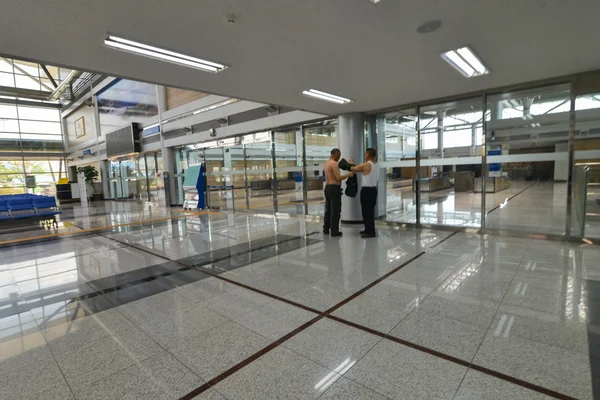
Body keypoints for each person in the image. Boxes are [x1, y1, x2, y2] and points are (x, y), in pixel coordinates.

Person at [323, 148, 354, 237]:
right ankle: (334, 231)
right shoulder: (334, 164)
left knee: (328, 210)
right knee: (335, 211)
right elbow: (338, 177)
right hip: (334, 189)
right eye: (338, 156)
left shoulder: (326, 163)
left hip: (327, 188)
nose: (339, 158)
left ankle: (326, 229)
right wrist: (349, 174)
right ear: (335, 154)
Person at [351, 148, 380, 238]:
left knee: (366, 211)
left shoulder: (367, 165)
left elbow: (353, 168)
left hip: (367, 191)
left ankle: (370, 232)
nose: (364, 155)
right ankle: (368, 229)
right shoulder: (376, 164)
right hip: (373, 190)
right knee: (369, 211)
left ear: (367, 154)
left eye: (365, 154)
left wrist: (351, 162)